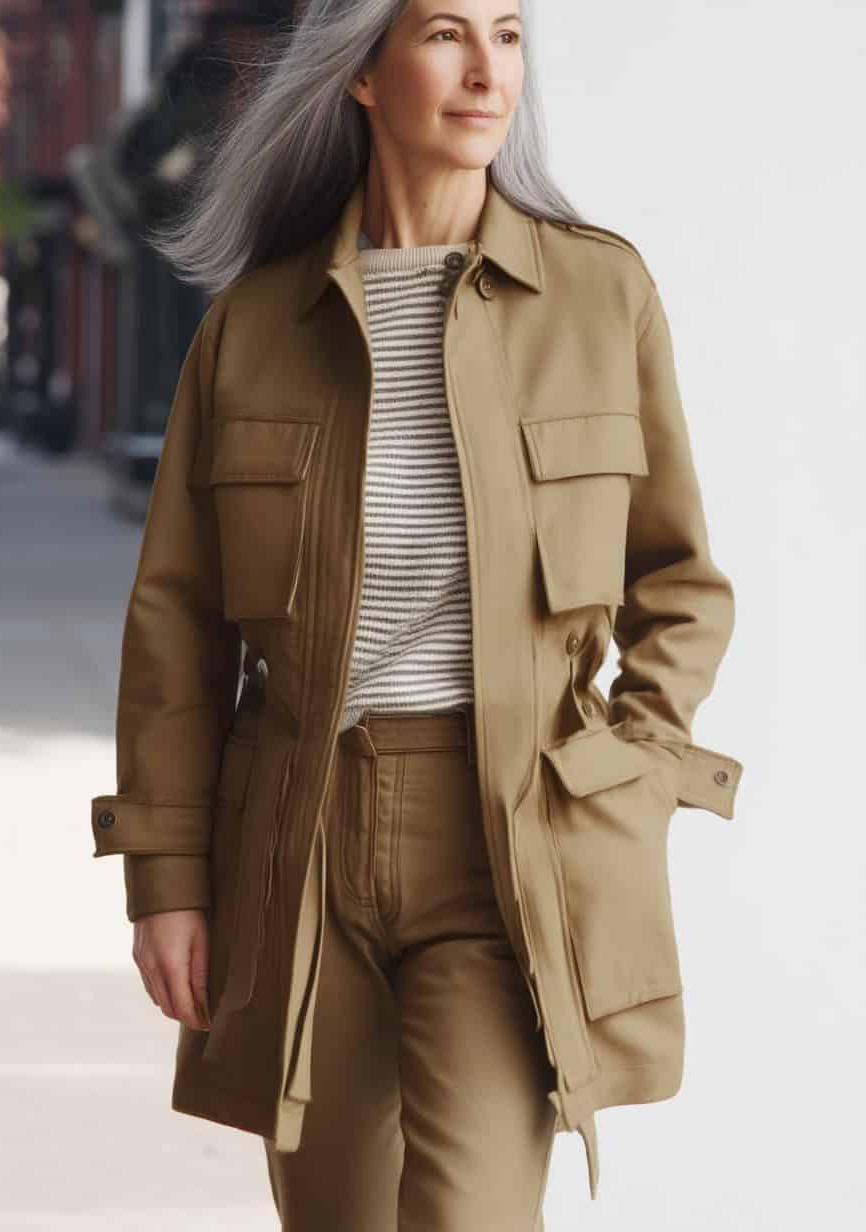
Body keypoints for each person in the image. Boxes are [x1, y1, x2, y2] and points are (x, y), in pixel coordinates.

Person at [90, 1, 744, 1226]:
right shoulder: (253, 325)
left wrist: (633, 766)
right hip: (298, 833)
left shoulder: (597, 294)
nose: (488, 71)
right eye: (447, 34)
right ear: (362, 73)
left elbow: (678, 581)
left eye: (508, 35)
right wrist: (165, 878)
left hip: (508, 834)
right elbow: (177, 627)